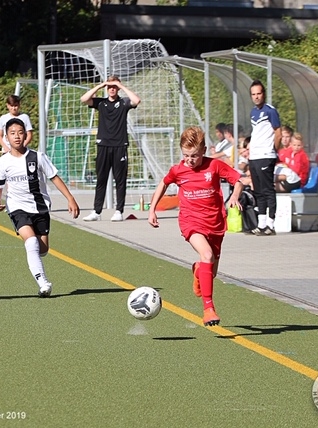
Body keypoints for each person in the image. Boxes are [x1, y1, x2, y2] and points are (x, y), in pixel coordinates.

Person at [148, 126, 243, 327]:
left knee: (210, 271)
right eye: (186, 155)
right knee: (206, 255)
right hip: (191, 221)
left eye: (194, 156)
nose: (189, 160)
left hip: (215, 223)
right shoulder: (178, 170)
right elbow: (163, 184)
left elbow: (238, 181)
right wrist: (152, 209)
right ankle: (208, 309)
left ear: (204, 151)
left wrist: (234, 196)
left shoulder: (214, 166)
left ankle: (198, 270)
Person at [0, 118, 79, 297]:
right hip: (17, 207)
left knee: (42, 250)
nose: (17, 136)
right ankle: (43, 284)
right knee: (31, 242)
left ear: (26, 135)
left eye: (20, 132)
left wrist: (70, 198)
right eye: (12, 133)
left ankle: (37, 262)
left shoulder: (37, 157)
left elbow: (54, 177)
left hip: (40, 208)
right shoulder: (2, 162)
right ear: (7, 137)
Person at [81, 76, 141, 222]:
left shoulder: (123, 103)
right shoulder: (101, 103)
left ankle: (119, 211)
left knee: (120, 180)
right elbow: (84, 99)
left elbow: (136, 100)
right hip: (103, 145)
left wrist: (121, 85)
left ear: (118, 88)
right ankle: (96, 211)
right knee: (101, 179)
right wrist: (101, 85)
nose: (112, 89)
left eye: (114, 87)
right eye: (110, 87)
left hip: (119, 145)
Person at [248, 80, 281, 236]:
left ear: (264, 94)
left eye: (259, 93)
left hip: (266, 155)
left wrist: (273, 149)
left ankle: (271, 224)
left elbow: (278, 132)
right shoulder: (253, 112)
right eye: (253, 94)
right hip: (254, 156)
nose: (256, 97)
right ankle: (261, 224)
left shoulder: (270, 111)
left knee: (268, 190)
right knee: (258, 191)